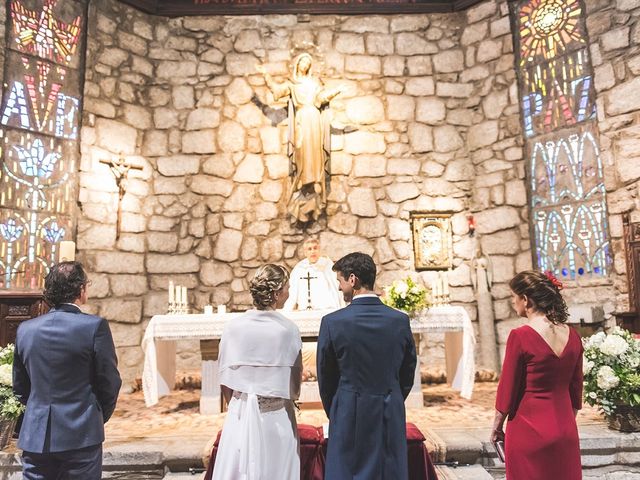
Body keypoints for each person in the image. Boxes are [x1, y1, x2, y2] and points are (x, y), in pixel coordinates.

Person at [13, 261, 122, 480]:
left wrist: (36, 415)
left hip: (36, 436)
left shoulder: (26, 330)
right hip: (81, 433)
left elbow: (20, 387)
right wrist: (97, 416)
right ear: (81, 290)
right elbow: (109, 381)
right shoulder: (94, 327)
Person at [317, 252, 417, 479]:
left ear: (353, 280)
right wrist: (391, 395)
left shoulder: (332, 322)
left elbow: (326, 375)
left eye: (340, 282)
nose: (340, 288)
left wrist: (338, 408)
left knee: (347, 471)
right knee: (388, 470)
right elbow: (408, 368)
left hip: (348, 408)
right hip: (389, 406)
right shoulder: (399, 320)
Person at [491, 270, 583, 480]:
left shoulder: (520, 336)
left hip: (528, 430)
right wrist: (567, 422)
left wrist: (497, 427)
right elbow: (576, 390)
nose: (513, 302)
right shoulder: (573, 336)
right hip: (565, 428)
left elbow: (508, 389)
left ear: (525, 299)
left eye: (514, 296)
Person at [213, 264, 302, 480]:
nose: (289, 293)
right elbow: (295, 382)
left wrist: (237, 403)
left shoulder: (233, 327)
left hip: (240, 414)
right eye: (288, 288)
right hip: (276, 416)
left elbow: (224, 378)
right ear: (277, 292)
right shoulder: (287, 330)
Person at [257, 54, 341, 223]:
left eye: (308, 62)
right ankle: (304, 181)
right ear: (297, 64)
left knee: (316, 153)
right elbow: (277, 91)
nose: (304, 64)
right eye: (302, 61)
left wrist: (334, 92)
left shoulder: (314, 84)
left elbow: (319, 100)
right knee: (302, 151)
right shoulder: (292, 84)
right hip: (302, 119)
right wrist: (265, 74)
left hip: (314, 119)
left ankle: (315, 181)